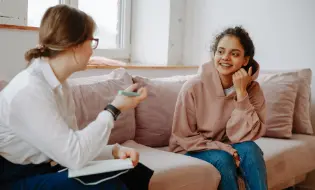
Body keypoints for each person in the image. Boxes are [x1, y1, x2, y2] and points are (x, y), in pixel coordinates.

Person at [0, 4, 148, 190]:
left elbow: (72, 144)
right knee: (109, 185)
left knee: (134, 171)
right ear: (73, 46)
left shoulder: (60, 85)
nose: (92, 50)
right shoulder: (29, 90)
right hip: (16, 178)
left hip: (49, 167)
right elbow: (74, 156)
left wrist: (114, 151)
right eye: (91, 41)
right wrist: (113, 109)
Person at [169, 26, 268, 190]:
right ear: (214, 55)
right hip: (190, 148)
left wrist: (241, 93)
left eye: (234, 54)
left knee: (251, 149)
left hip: (227, 145)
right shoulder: (192, 87)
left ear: (245, 60)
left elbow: (249, 135)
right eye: (220, 52)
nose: (225, 58)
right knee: (223, 159)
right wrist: (225, 148)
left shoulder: (253, 89)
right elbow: (184, 136)